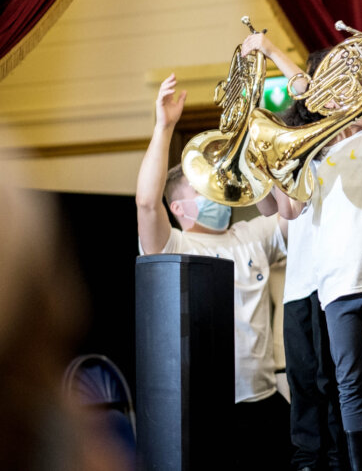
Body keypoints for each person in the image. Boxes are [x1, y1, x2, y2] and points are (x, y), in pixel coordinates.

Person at [243, 27, 362, 471]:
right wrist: (260, 164)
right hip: (334, 282)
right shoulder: (310, 155)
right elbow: (288, 210)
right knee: (348, 382)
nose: (344, 98)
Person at [135, 73, 293, 469]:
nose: (213, 190)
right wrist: (164, 127)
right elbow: (145, 204)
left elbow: (296, 215)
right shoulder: (174, 245)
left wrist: (262, 144)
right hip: (205, 407)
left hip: (264, 403)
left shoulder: (251, 235)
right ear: (179, 208)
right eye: (200, 188)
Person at [278, 49, 348, 471]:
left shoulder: (349, 131)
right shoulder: (289, 135)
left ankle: (343, 459)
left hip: (338, 277)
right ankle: (307, 461)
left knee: (337, 382)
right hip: (300, 280)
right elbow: (282, 210)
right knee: (302, 380)